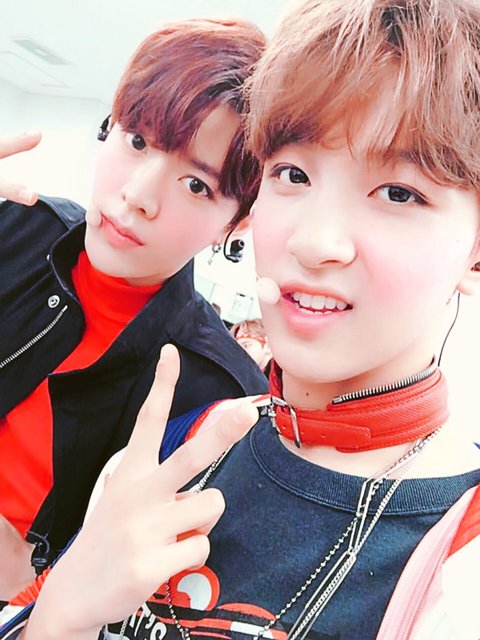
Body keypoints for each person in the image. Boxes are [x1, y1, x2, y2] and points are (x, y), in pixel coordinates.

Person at [3, 0, 480, 638]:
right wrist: (59, 617)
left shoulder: (460, 563)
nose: (315, 242)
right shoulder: (176, 446)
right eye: (293, 173)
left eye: (400, 193)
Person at [0, 18, 268, 601]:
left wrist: (34, 588)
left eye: (196, 185)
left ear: (238, 221)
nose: (139, 196)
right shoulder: (15, 225)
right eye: (137, 141)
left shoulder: (220, 394)